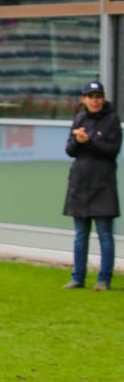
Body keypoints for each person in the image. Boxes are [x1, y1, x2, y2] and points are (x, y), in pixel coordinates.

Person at [61, 80, 121, 292]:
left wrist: (90, 141)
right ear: (83, 100)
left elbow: (112, 149)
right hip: (80, 183)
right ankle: (78, 277)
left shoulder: (112, 120)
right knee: (80, 235)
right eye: (91, 97)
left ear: (103, 99)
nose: (95, 101)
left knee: (104, 234)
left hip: (102, 184)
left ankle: (104, 278)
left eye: (98, 97)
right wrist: (78, 141)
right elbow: (69, 150)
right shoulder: (79, 118)